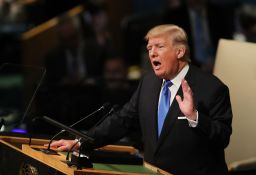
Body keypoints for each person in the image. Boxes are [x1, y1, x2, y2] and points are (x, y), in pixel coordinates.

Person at [49, 24, 233, 175]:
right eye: (149, 48)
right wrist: (81, 141)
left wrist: (195, 117)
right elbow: (123, 120)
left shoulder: (212, 88)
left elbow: (223, 136)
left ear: (180, 51)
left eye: (159, 47)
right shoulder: (149, 81)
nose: (152, 53)